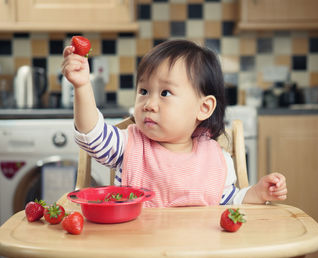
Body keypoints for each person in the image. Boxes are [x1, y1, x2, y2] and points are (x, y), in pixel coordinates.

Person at [62, 39, 287, 207]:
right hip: (139, 251)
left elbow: (228, 202)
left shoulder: (217, 159)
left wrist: (257, 193)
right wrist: (82, 86)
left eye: (165, 93)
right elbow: (92, 135)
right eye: (143, 91)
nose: (149, 103)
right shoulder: (128, 146)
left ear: (204, 108)